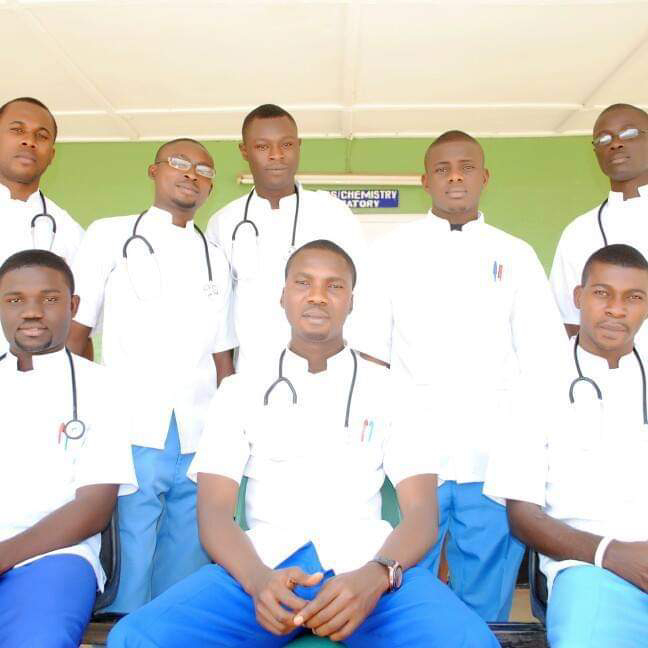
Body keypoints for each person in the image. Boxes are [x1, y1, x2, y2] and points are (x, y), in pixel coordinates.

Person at [107, 240, 498, 648]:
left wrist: (377, 575)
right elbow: (214, 512)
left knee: (471, 642)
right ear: (282, 296)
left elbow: (421, 514)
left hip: (365, 571)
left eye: (334, 286)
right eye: (303, 283)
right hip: (263, 570)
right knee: (135, 638)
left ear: (351, 301)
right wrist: (257, 582)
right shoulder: (239, 391)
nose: (317, 296)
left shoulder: (393, 390)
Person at [356, 130, 569, 622]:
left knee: (486, 595)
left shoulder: (515, 255)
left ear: (484, 177)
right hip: (411, 456)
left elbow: (544, 359)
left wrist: (533, 445)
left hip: (493, 455)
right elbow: (370, 358)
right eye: (443, 168)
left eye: (466, 167)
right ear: (425, 180)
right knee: (404, 588)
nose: (455, 177)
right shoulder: (388, 253)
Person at [66, 138, 237, 612]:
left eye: (204, 169)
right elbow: (76, 333)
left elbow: (223, 355)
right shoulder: (109, 235)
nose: (191, 174)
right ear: (153, 170)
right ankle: (123, 631)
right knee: (129, 550)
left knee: (188, 553)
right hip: (131, 424)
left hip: (198, 431)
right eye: (179, 163)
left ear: (211, 187)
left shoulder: (216, 256)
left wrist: (227, 431)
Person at [486, 244, 648, 648]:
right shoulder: (533, 383)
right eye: (602, 293)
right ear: (578, 297)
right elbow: (523, 517)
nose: (616, 309)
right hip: (591, 571)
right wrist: (612, 554)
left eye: (633, 297)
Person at [0, 250, 136, 648]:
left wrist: (4, 554)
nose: (32, 311)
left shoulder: (102, 387)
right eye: (15, 300)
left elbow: (93, 508)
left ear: (73, 306)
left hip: (56, 557)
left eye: (50, 298)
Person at [206, 104, 367, 376]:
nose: (276, 155)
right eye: (262, 146)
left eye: (287, 144)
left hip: (328, 373)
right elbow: (216, 308)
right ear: (244, 151)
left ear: (299, 146)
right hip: (253, 373)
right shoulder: (224, 222)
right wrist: (225, 375)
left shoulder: (333, 213)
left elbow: (363, 293)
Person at [551, 103, 648, 338]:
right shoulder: (579, 231)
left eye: (629, 133)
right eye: (604, 139)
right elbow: (567, 322)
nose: (615, 143)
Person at [0, 97, 84, 354]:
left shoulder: (70, 232)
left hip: (38, 373)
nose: (29, 141)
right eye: (17, 130)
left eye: (42, 135)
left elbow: (79, 330)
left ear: (52, 155)